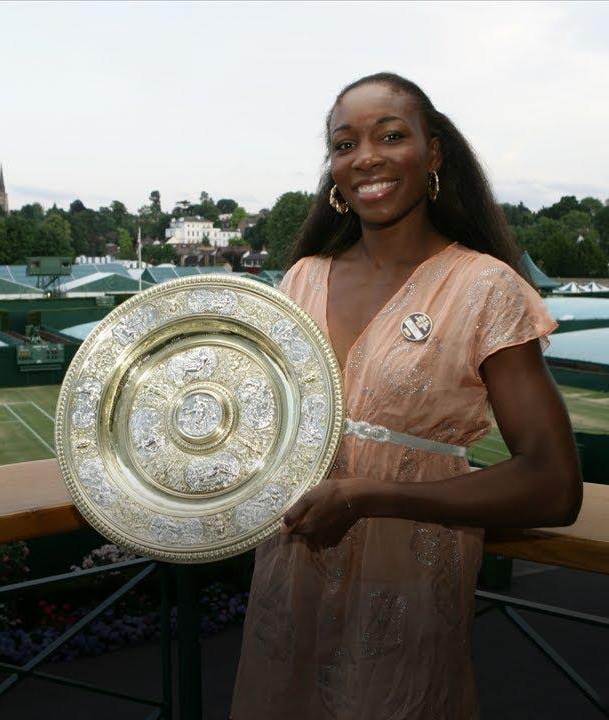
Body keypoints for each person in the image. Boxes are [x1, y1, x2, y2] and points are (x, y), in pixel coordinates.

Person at [229, 73, 583, 720]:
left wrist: (371, 496)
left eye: (391, 135)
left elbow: (554, 485)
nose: (365, 157)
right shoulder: (302, 279)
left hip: (405, 588)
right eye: (344, 144)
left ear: (435, 151)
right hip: (287, 580)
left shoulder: (484, 288)